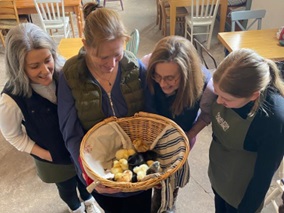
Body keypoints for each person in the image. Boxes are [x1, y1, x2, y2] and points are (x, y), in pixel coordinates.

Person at [57, 3, 151, 213]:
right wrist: (89, 175)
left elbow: (152, 116)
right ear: (85, 45)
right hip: (101, 171)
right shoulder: (70, 75)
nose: (111, 64)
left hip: (138, 168)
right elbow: (70, 132)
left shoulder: (133, 66)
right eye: (103, 58)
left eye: (117, 55)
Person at [0, 23, 100, 213]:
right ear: (18, 68)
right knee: (66, 187)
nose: (46, 71)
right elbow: (13, 136)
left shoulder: (64, 72)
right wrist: (46, 154)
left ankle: (88, 199)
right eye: (34, 66)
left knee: (85, 178)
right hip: (52, 155)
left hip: (80, 147)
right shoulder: (10, 100)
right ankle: (75, 207)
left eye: (48, 60)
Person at [144, 36, 214, 213]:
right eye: (157, 76)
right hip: (151, 136)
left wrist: (188, 136)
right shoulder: (146, 67)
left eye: (170, 78)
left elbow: (206, 115)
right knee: (149, 176)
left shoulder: (206, 85)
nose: (162, 83)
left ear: (187, 74)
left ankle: (168, 203)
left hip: (182, 136)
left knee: (169, 182)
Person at [209, 48, 284, 213]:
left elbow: (262, 178)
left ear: (253, 96)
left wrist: (246, 209)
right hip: (219, 175)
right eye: (217, 93)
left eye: (227, 99)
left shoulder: (273, 120)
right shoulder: (226, 87)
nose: (219, 101)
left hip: (242, 193)